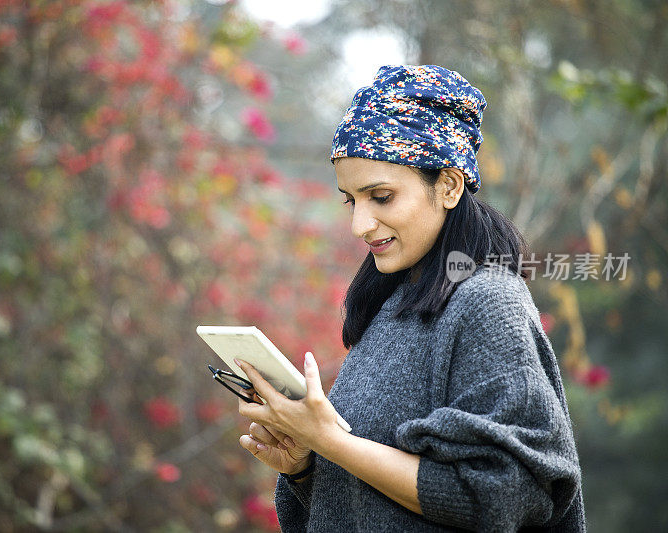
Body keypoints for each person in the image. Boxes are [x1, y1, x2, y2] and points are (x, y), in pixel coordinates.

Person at [234, 65, 586, 532]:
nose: (360, 224)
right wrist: (305, 462)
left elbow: (500, 498)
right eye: (350, 200)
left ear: (449, 186)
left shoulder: (488, 302)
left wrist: (330, 441)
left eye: (381, 196)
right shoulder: (391, 304)